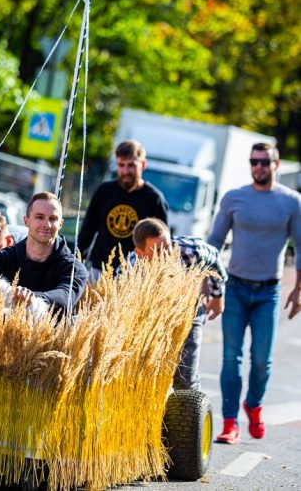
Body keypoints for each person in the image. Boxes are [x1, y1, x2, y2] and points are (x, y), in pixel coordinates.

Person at [208, 142, 301, 445]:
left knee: (262, 360)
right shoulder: (235, 198)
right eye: (254, 161)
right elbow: (214, 243)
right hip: (234, 287)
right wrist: (208, 284)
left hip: (268, 293)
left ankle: (255, 404)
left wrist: (298, 289)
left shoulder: (291, 202)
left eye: (264, 161)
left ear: (276, 164)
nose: (258, 167)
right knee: (231, 358)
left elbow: (300, 247)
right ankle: (230, 422)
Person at [126, 218, 227, 391]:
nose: (166, 254)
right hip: (153, 316)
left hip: (189, 310)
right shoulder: (132, 267)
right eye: (157, 250)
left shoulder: (191, 250)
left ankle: (191, 408)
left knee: (184, 377)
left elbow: (216, 262)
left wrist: (218, 297)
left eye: (167, 246)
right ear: (140, 252)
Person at [0, 192, 88, 316]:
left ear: (60, 224)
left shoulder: (74, 268)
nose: (47, 224)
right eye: (39, 217)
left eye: (53, 218)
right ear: (26, 221)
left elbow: (66, 296)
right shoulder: (4, 256)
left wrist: (32, 297)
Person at [78, 139, 168, 280]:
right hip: (99, 270)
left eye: (131, 165)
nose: (126, 171)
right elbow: (87, 232)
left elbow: (161, 244)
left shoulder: (154, 199)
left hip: (134, 275)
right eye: (121, 165)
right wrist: (77, 263)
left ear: (143, 165)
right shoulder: (104, 191)